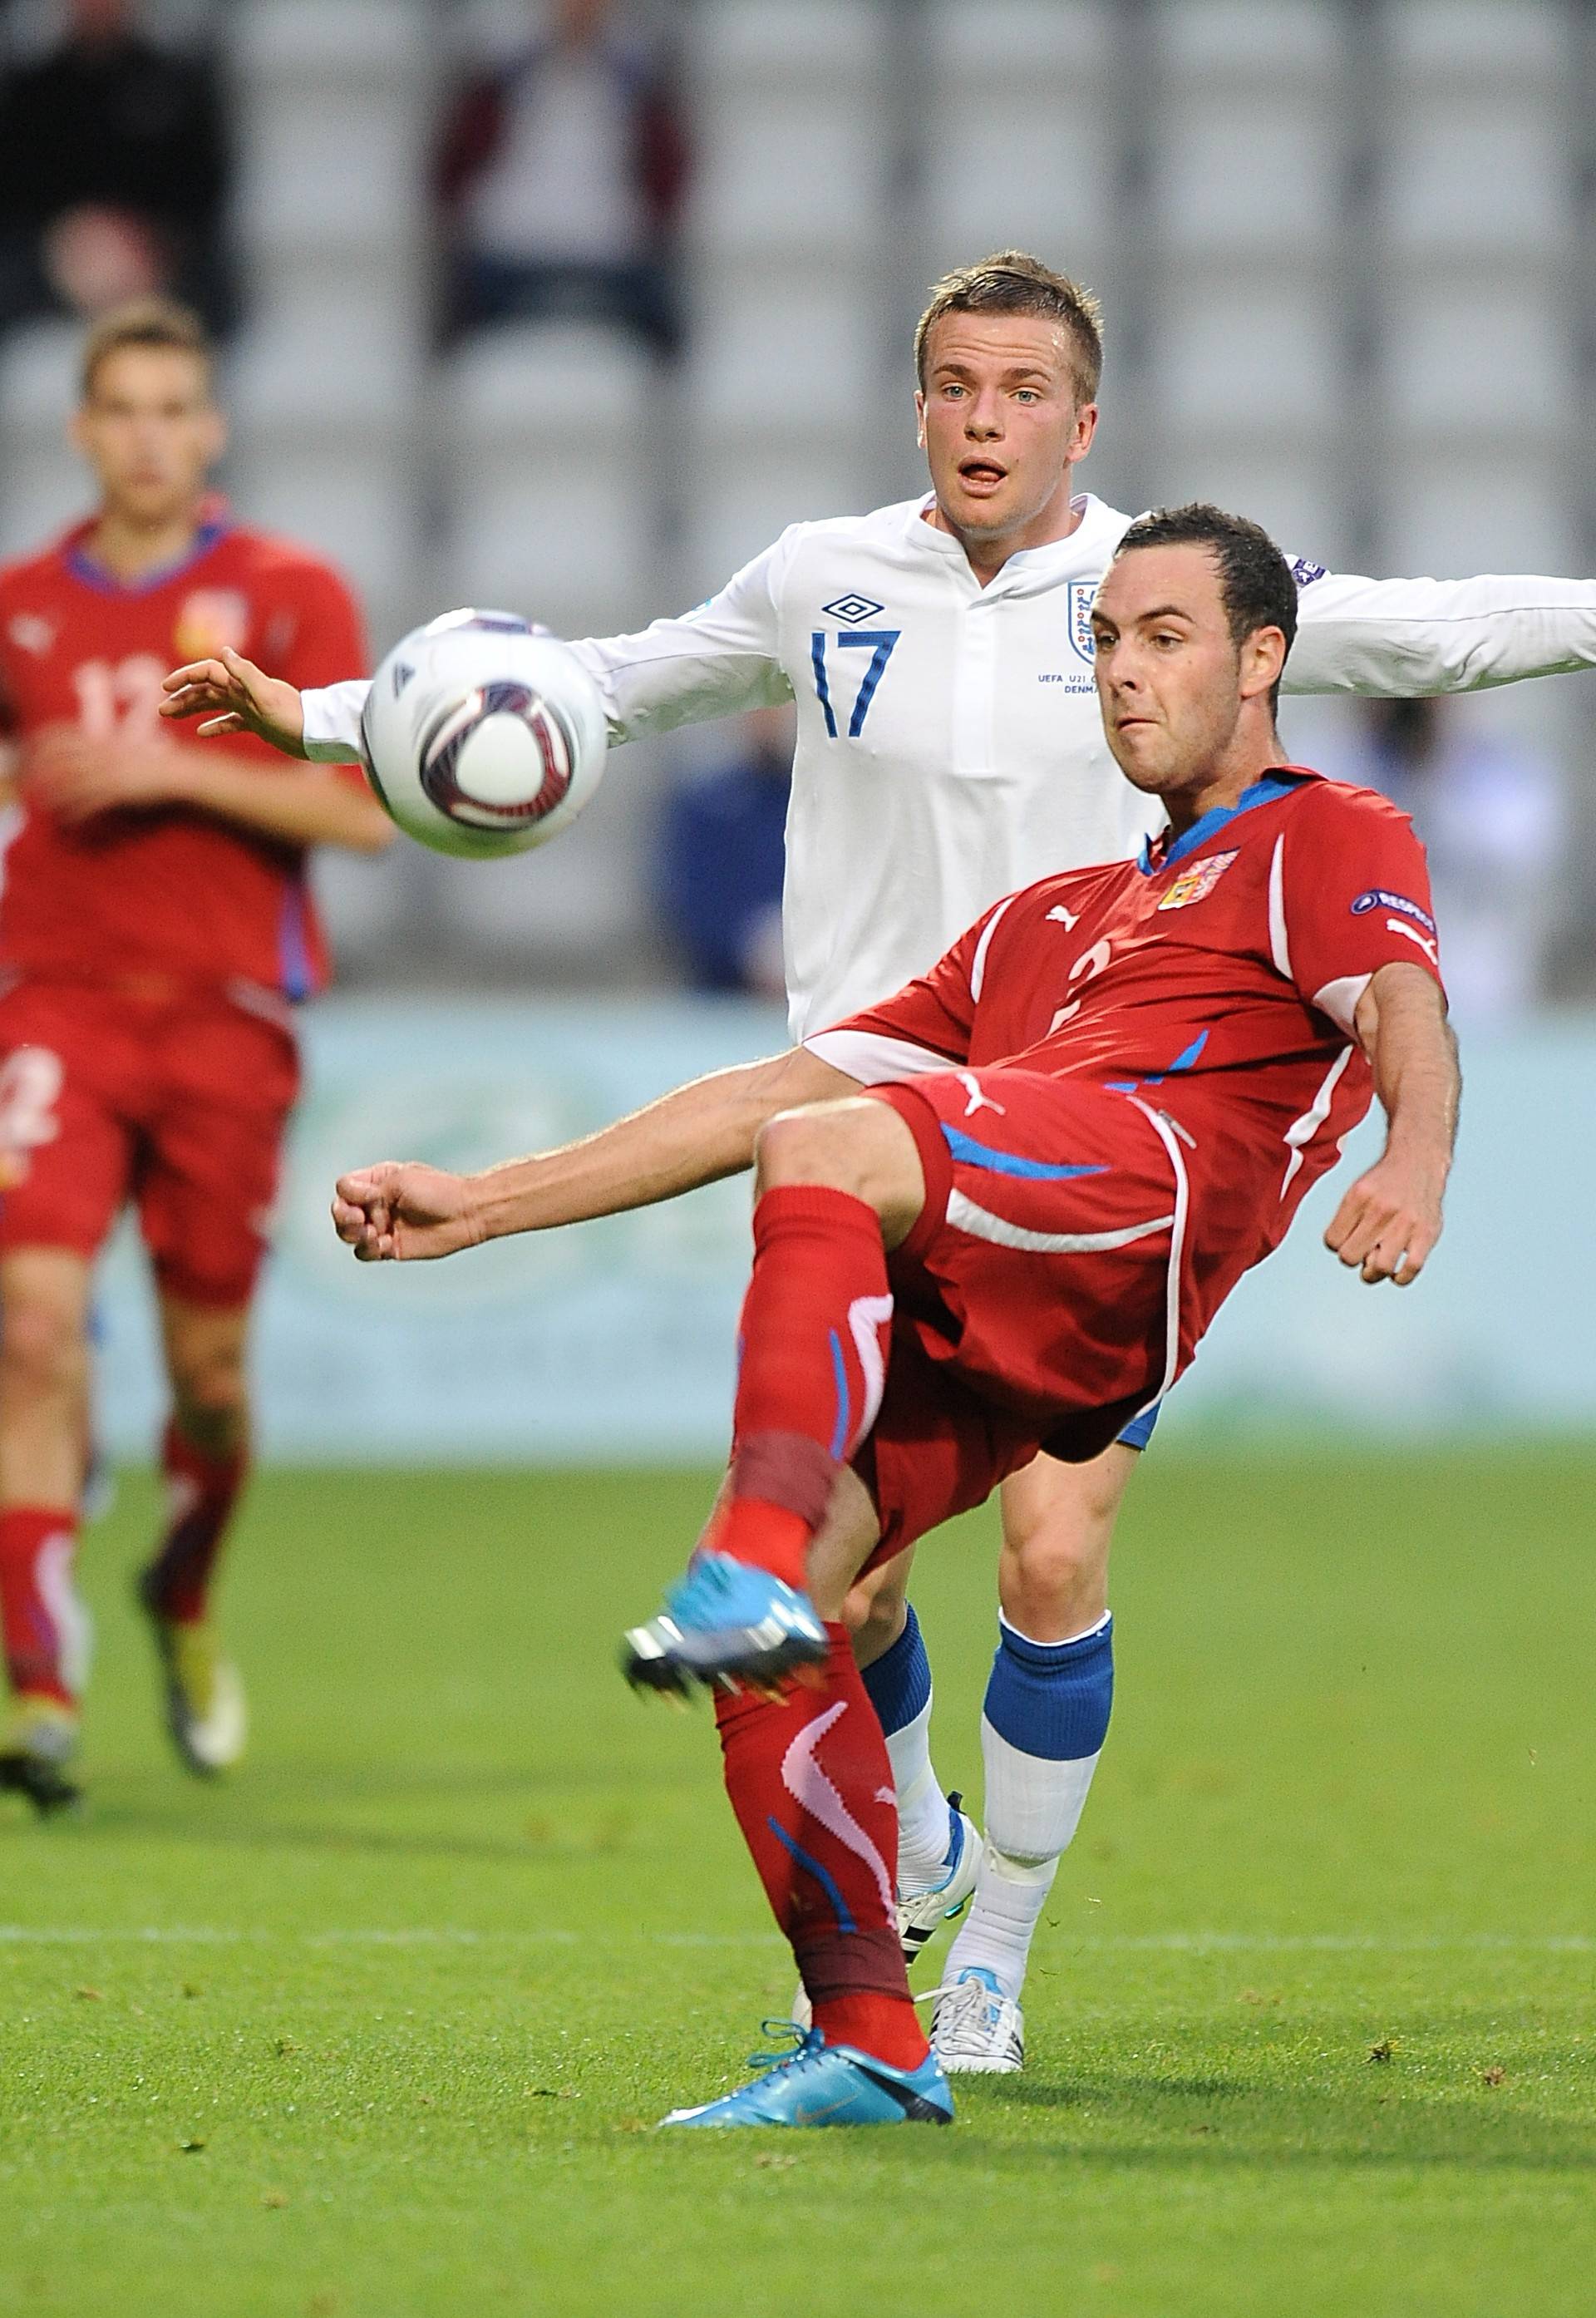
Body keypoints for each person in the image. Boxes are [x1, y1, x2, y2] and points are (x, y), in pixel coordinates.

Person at [159, 249, 1596, 2071]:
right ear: (917, 401)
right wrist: (324, 717)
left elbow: (1442, 627)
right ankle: (900, 1841)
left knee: (1056, 1549)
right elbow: (599, 687)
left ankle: (987, 1949)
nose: (986, 419)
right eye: (954, 385)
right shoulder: (819, 575)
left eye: (1022, 391)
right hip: (883, 1069)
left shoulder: (1159, 586)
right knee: (847, 1591)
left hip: (1083, 1116)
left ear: (1088, 420)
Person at [328, 506, 1460, 2126]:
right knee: (804, 1601)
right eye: (1110, 642)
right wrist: (482, 1201)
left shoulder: (1326, 833)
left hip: (1145, 1200)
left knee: (836, 1177)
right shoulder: (1044, 921)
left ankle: (772, 1601)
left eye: (1166, 638)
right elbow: (776, 1080)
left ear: (1263, 657)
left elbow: (1403, 1007)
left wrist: (1414, 1155)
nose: (1125, 675)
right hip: (1024, 1275)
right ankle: (871, 2030)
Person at [0, 299, 386, 1816]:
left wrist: (173, 765)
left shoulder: (289, 596)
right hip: (56, 1008)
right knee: (29, 1327)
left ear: (209, 429)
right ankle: (41, 1684)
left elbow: (366, 812)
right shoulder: (22, 605)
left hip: (229, 1015)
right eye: (124, 409)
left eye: (176, 406)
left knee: (208, 1379)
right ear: (85, 431)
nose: (150, 434)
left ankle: (182, 1580)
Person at [434, 0, 690, 357]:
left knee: (673, 331)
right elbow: (451, 169)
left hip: (613, 261)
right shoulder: (500, 76)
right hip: (509, 259)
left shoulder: (639, 80)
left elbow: (671, 173)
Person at [0, 0, 235, 339]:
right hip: (53, 255)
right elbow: (17, 195)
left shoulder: (174, 84)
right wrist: (73, 244)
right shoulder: (35, 89)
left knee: (214, 299)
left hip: (156, 252)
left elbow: (202, 190)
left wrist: (145, 243)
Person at [1332, 696, 1563, 1025]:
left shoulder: (1499, 766)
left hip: (1483, 995)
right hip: (1363, 1004)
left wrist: (1431, 764)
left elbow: (1523, 851)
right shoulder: (1333, 757)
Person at [656, 705, 792, 996]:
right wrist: (752, 954)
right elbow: (685, 899)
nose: (768, 719)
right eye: (759, 709)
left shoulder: (819, 802)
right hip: (722, 996)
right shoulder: (706, 804)